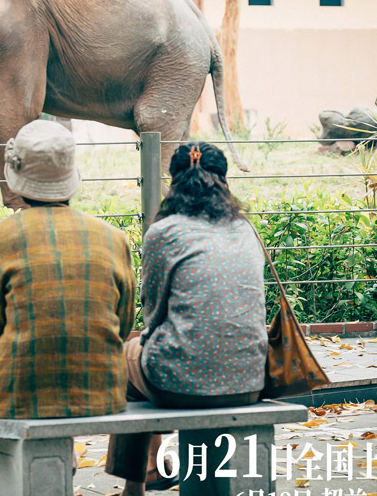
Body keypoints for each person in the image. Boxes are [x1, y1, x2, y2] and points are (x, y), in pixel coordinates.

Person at [0, 119, 137, 495]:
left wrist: (5, 355)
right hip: (101, 389)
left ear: (17, 177)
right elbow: (123, 322)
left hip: (17, 388)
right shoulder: (114, 238)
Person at [105, 142, 267, 496]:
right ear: (223, 181)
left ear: (173, 182)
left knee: (123, 358)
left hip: (178, 383)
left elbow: (153, 311)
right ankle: (153, 470)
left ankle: (144, 474)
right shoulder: (246, 230)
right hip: (250, 380)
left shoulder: (164, 232)